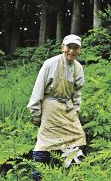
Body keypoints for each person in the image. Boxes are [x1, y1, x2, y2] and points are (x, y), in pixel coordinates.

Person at [27, 34, 86, 180]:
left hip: (68, 107)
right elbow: (38, 89)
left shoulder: (78, 68)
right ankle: (38, 176)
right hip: (50, 106)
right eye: (69, 47)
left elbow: (77, 93)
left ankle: (71, 174)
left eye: (75, 48)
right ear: (63, 48)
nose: (72, 51)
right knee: (45, 143)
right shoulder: (50, 64)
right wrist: (35, 112)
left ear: (79, 50)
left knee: (77, 138)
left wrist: (76, 110)